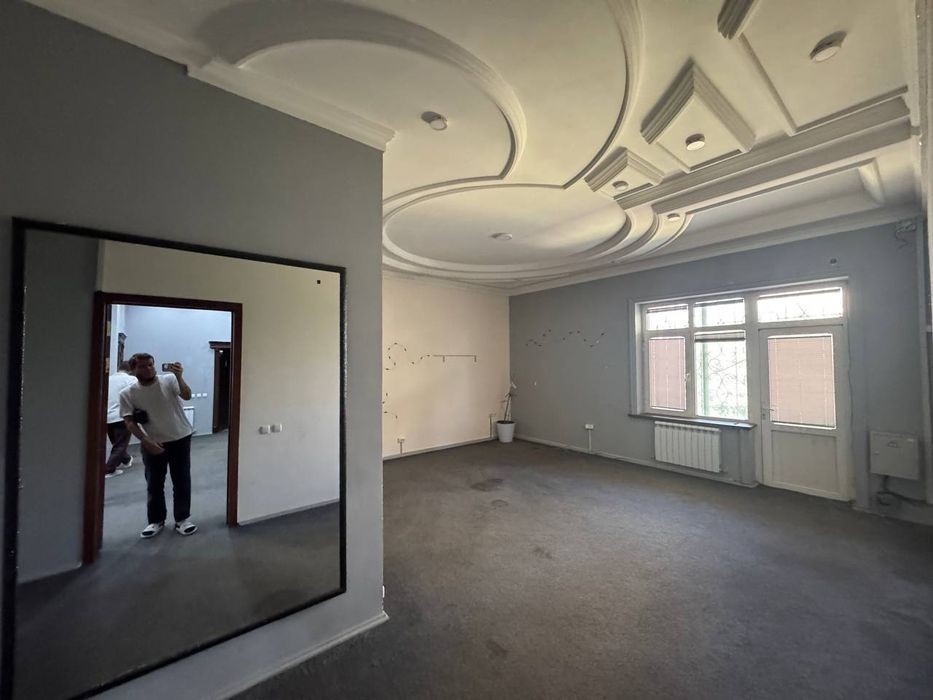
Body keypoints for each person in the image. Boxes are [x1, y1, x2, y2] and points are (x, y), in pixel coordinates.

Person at [120, 352, 198, 538]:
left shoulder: (169, 380)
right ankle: (156, 520)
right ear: (133, 370)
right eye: (142, 366)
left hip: (180, 436)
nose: (148, 369)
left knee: (181, 480)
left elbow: (187, 395)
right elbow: (129, 421)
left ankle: (182, 519)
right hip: (153, 441)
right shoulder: (128, 393)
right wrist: (145, 440)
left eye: (151, 365)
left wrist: (179, 376)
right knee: (154, 482)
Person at [105, 361, 137, 478]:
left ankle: (126, 459)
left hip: (107, 417)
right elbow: (136, 396)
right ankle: (109, 470)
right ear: (131, 370)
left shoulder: (108, 379)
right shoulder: (131, 380)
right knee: (120, 445)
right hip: (122, 416)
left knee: (117, 443)